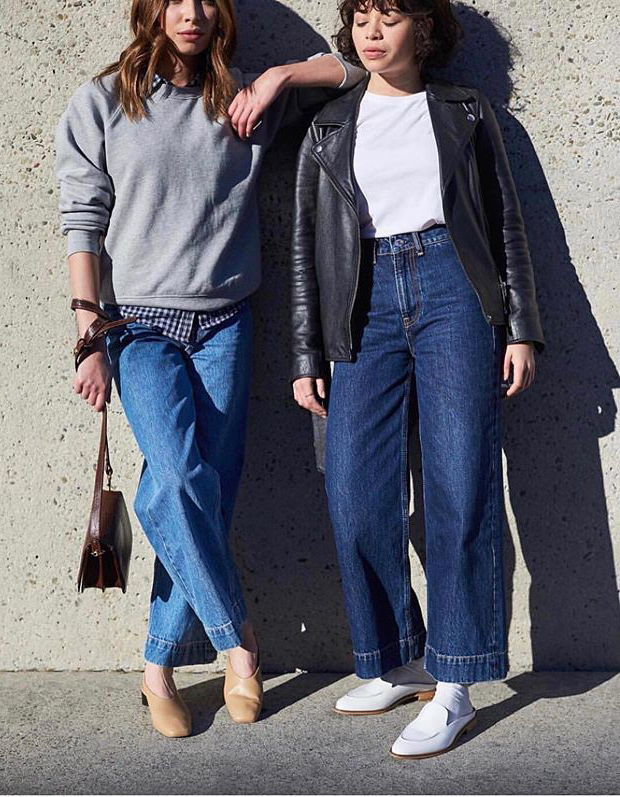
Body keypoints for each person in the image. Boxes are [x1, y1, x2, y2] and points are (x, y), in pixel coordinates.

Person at [55, 0, 365, 738]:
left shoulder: (245, 97)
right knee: (177, 481)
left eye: (204, 0)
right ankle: (238, 643)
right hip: (138, 325)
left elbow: (353, 73)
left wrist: (280, 77)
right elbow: (82, 220)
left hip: (227, 324)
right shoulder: (103, 101)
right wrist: (87, 334)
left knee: (203, 497)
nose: (190, 13)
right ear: (152, 9)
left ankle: (158, 667)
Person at [290, 0, 545, 759]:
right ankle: (398, 660)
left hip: (452, 291)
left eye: (391, 17)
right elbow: (306, 248)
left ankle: (457, 681)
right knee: (354, 492)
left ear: (423, 32)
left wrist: (521, 326)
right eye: (361, 18)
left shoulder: (465, 111)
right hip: (360, 303)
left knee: (460, 484)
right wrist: (306, 354)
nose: (372, 33)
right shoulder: (329, 126)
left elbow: (505, 221)